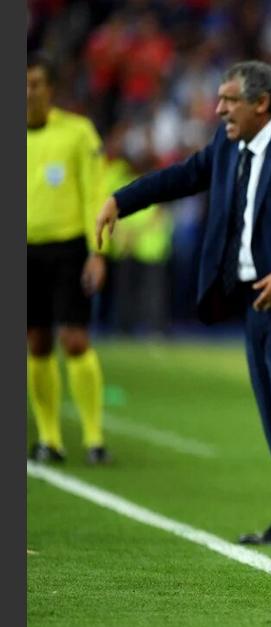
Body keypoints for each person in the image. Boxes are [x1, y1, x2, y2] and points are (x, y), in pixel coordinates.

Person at [96, 60, 271, 546]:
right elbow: (181, 177)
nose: (219, 109)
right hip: (254, 303)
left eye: (229, 100)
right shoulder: (228, 146)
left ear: (261, 103)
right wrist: (120, 200)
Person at [27, 51, 111, 465]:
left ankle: (94, 438)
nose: (27, 92)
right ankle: (49, 439)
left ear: (51, 89)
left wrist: (98, 252)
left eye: (34, 84)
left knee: (74, 339)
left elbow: (95, 191)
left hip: (68, 248)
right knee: (36, 342)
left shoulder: (78, 133)